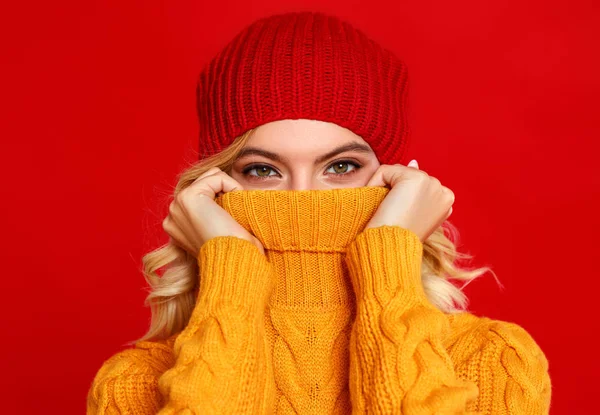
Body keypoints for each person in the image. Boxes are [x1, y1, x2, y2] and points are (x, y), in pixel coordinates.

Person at [86, 11, 551, 414]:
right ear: (212, 188)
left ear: (400, 185)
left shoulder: (490, 360)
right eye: (263, 170)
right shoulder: (134, 385)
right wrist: (231, 271)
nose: (302, 197)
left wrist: (389, 264)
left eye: (342, 166)